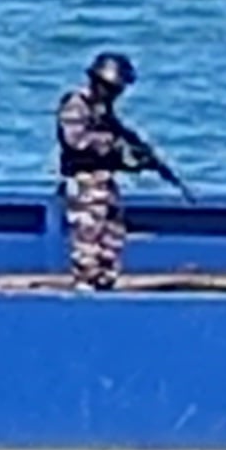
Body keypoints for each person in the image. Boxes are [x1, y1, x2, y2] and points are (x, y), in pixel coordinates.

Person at [55, 52, 158, 290]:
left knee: (112, 239)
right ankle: (86, 286)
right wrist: (116, 150)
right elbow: (76, 142)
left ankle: (105, 281)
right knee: (88, 242)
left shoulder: (104, 112)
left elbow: (117, 146)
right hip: (83, 182)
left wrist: (137, 159)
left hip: (103, 182)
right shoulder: (76, 104)